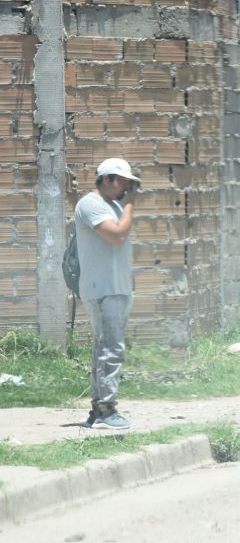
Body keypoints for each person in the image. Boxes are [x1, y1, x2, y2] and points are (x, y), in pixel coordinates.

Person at [74, 157, 140, 429]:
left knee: (107, 348)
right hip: (102, 289)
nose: (126, 188)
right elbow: (116, 236)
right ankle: (105, 411)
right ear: (106, 179)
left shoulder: (113, 206)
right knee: (110, 349)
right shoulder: (91, 204)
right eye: (122, 181)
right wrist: (131, 204)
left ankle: (99, 409)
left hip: (116, 288)